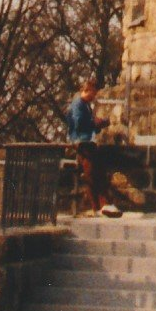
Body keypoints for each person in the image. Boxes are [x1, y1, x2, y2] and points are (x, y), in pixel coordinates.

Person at [65, 78, 114, 215]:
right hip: (82, 143)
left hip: (87, 141)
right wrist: (95, 123)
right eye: (93, 93)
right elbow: (79, 124)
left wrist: (98, 124)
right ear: (87, 91)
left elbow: (88, 125)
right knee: (91, 173)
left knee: (95, 172)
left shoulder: (85, 105)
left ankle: (100, 205)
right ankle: (99, 206)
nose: (94, 96)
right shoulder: (78, 104)